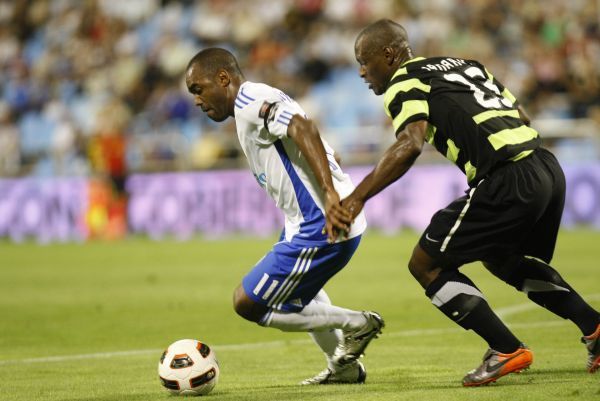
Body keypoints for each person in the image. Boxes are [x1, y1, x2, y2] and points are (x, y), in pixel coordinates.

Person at [330, 19, 600, 386]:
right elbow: (521, 116)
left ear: (389, 55)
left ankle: (505, 348)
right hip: (544, 164)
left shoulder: (404, 82)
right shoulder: (466, 65)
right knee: (501, 258)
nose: (362, 71)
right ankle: (595, 328)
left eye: (365, 60)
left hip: (507, 177)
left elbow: (410, 144)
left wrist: (356, 198)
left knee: (425, 263)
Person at [184, 48, 384, 385]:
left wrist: (330, 193)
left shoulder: (250, 101)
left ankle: (358, 324)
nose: (197, 100)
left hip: (322, 224)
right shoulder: (250, 106)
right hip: (307, 223)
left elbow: (302, 127)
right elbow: (304, 138)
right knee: (297, 296)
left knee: (248, 303)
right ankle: (344, 367)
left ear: (223, 78)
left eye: (198, 89)